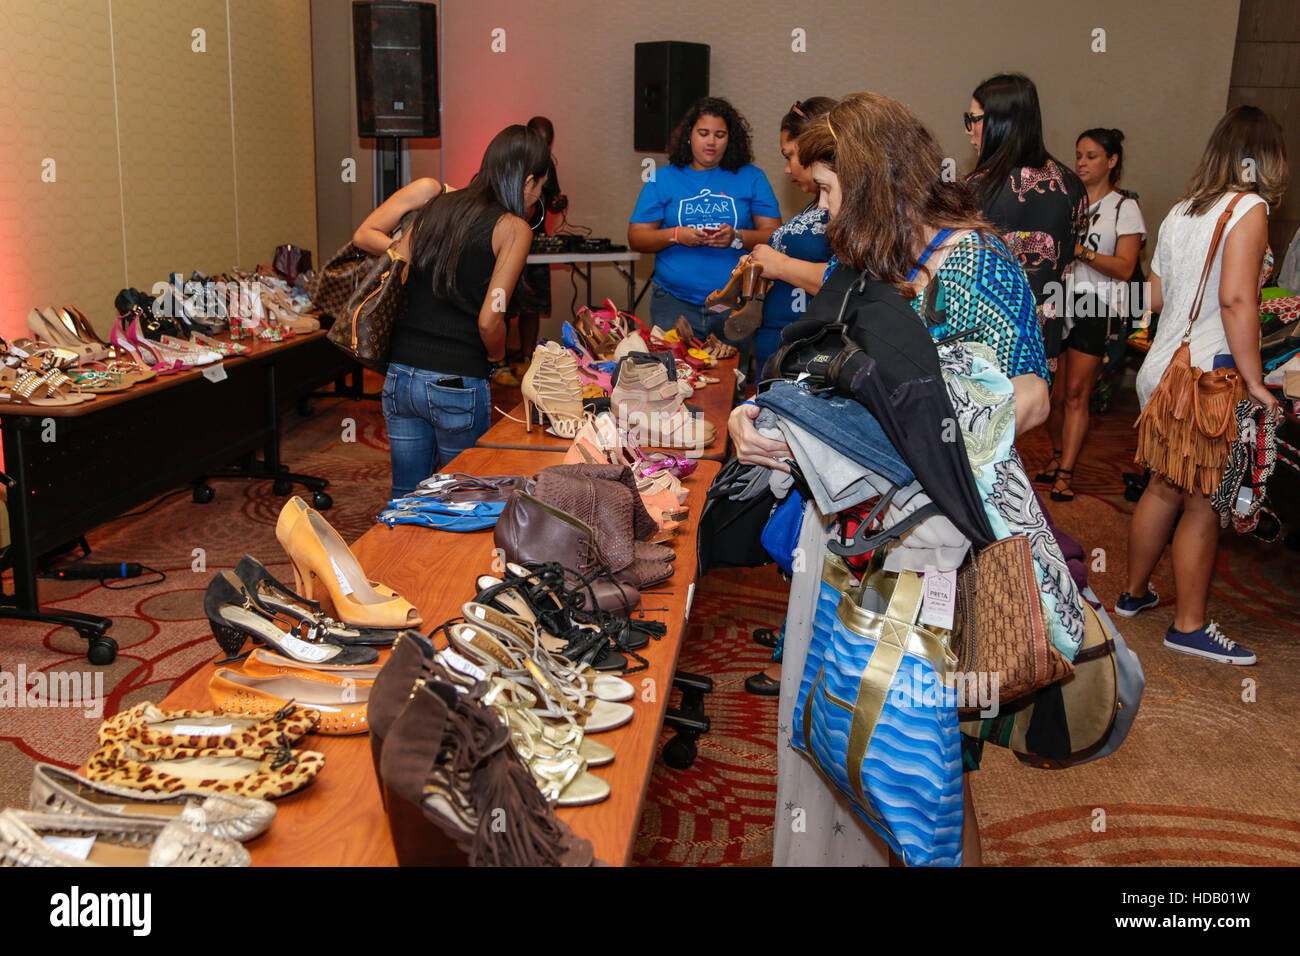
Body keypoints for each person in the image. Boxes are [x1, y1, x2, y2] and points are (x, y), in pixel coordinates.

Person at [730, 92, 1051, 867]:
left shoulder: (971, 260)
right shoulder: (866, 260)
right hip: (850, 538)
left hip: (933, 552)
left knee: (922, 768)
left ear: (870, 178)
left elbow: (1032, 396)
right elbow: (818, 371)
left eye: (828, 190)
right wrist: (762, 419)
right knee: (850, 738)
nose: (822, 208)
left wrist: (916, 429)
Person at [1120, 105, 1287, 665]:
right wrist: (1256, 380)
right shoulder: (1250, 207)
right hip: (1205, 378)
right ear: (1263, 158)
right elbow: (1237, 299)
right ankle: (1188, 626)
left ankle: (1133, 593)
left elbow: (1158, 299)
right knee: (1203, 503)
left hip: (1162, 369)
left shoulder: (1181, 212)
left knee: (1162, 485)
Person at [374, 125, 547, 499]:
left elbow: (398, 265)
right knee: (463, 497)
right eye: (540, 188)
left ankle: (395, 558)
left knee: (406, 493)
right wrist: (498, 355)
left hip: (400, 373)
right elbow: (491, 315)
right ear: (529, 180)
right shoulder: (513, 228)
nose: (538, 197)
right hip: (457, 379)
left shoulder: (437, 206)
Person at [738, 95, 835, 698]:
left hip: (816, 367)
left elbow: (842, 286)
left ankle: (802, 650)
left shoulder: (845, 212)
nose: (792, 170)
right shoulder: (816, 206)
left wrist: (773, 257)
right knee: (794, 508)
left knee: (806, 512)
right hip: (787, 355)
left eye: (795, 157)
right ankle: (792, 628)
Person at [1037, 129, 1146, 502]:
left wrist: (1080, 251)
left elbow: (1126, 267)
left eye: (1092, 156)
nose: (1081, 162)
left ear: (1112, 161)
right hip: (1059, 298)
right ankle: (1055, 457)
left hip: (1095, 304)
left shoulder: (1123, 208)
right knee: (1049, 394)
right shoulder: (1069, 202)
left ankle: (1066, 472)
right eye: (1079, 155)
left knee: (1076, 395)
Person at [628, 97, 781, 349]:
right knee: (675, 380)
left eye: (720, 134)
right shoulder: (663, 178)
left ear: (730, 138)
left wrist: (736, 238)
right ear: (690, 135)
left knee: (731, 380)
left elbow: (775, 235)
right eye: (704, 133)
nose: (711, 141)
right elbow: (636, 237)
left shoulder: (752, 177)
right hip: (673, 302)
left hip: (734, 301)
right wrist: (676, 235)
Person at [966, 73, 1087, 365]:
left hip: (984, 346)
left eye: (973, 119)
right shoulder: (1071, 185)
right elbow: (1065, 263)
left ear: (999, 121)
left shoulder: (974, 188)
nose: (968, 130)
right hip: (1042, 345)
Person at [498, 116, 568, 385]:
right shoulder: (511, 161)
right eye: (540, 141)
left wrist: (557, 202)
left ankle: (528, 359)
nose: (545, 148)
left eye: (548, 144)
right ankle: (500, 362)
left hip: (536, 239)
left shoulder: (547, 163)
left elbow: (550, 201)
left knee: (533, 303)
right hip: (507, 237)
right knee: (502, 302)